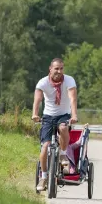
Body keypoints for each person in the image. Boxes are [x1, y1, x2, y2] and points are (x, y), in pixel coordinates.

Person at [32, 57, 78, 192]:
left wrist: (74, 115)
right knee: (45, 146)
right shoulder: (43, 82)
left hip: (64, 115)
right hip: (48, 116)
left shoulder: (69, 80)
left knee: (63, 128)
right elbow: (38, 99)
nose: (59, 71)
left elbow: (72, 98)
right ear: (50, 69)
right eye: (56, 68)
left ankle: (63, 153)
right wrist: (35, 114)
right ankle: (44, 177)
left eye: (61, 68)